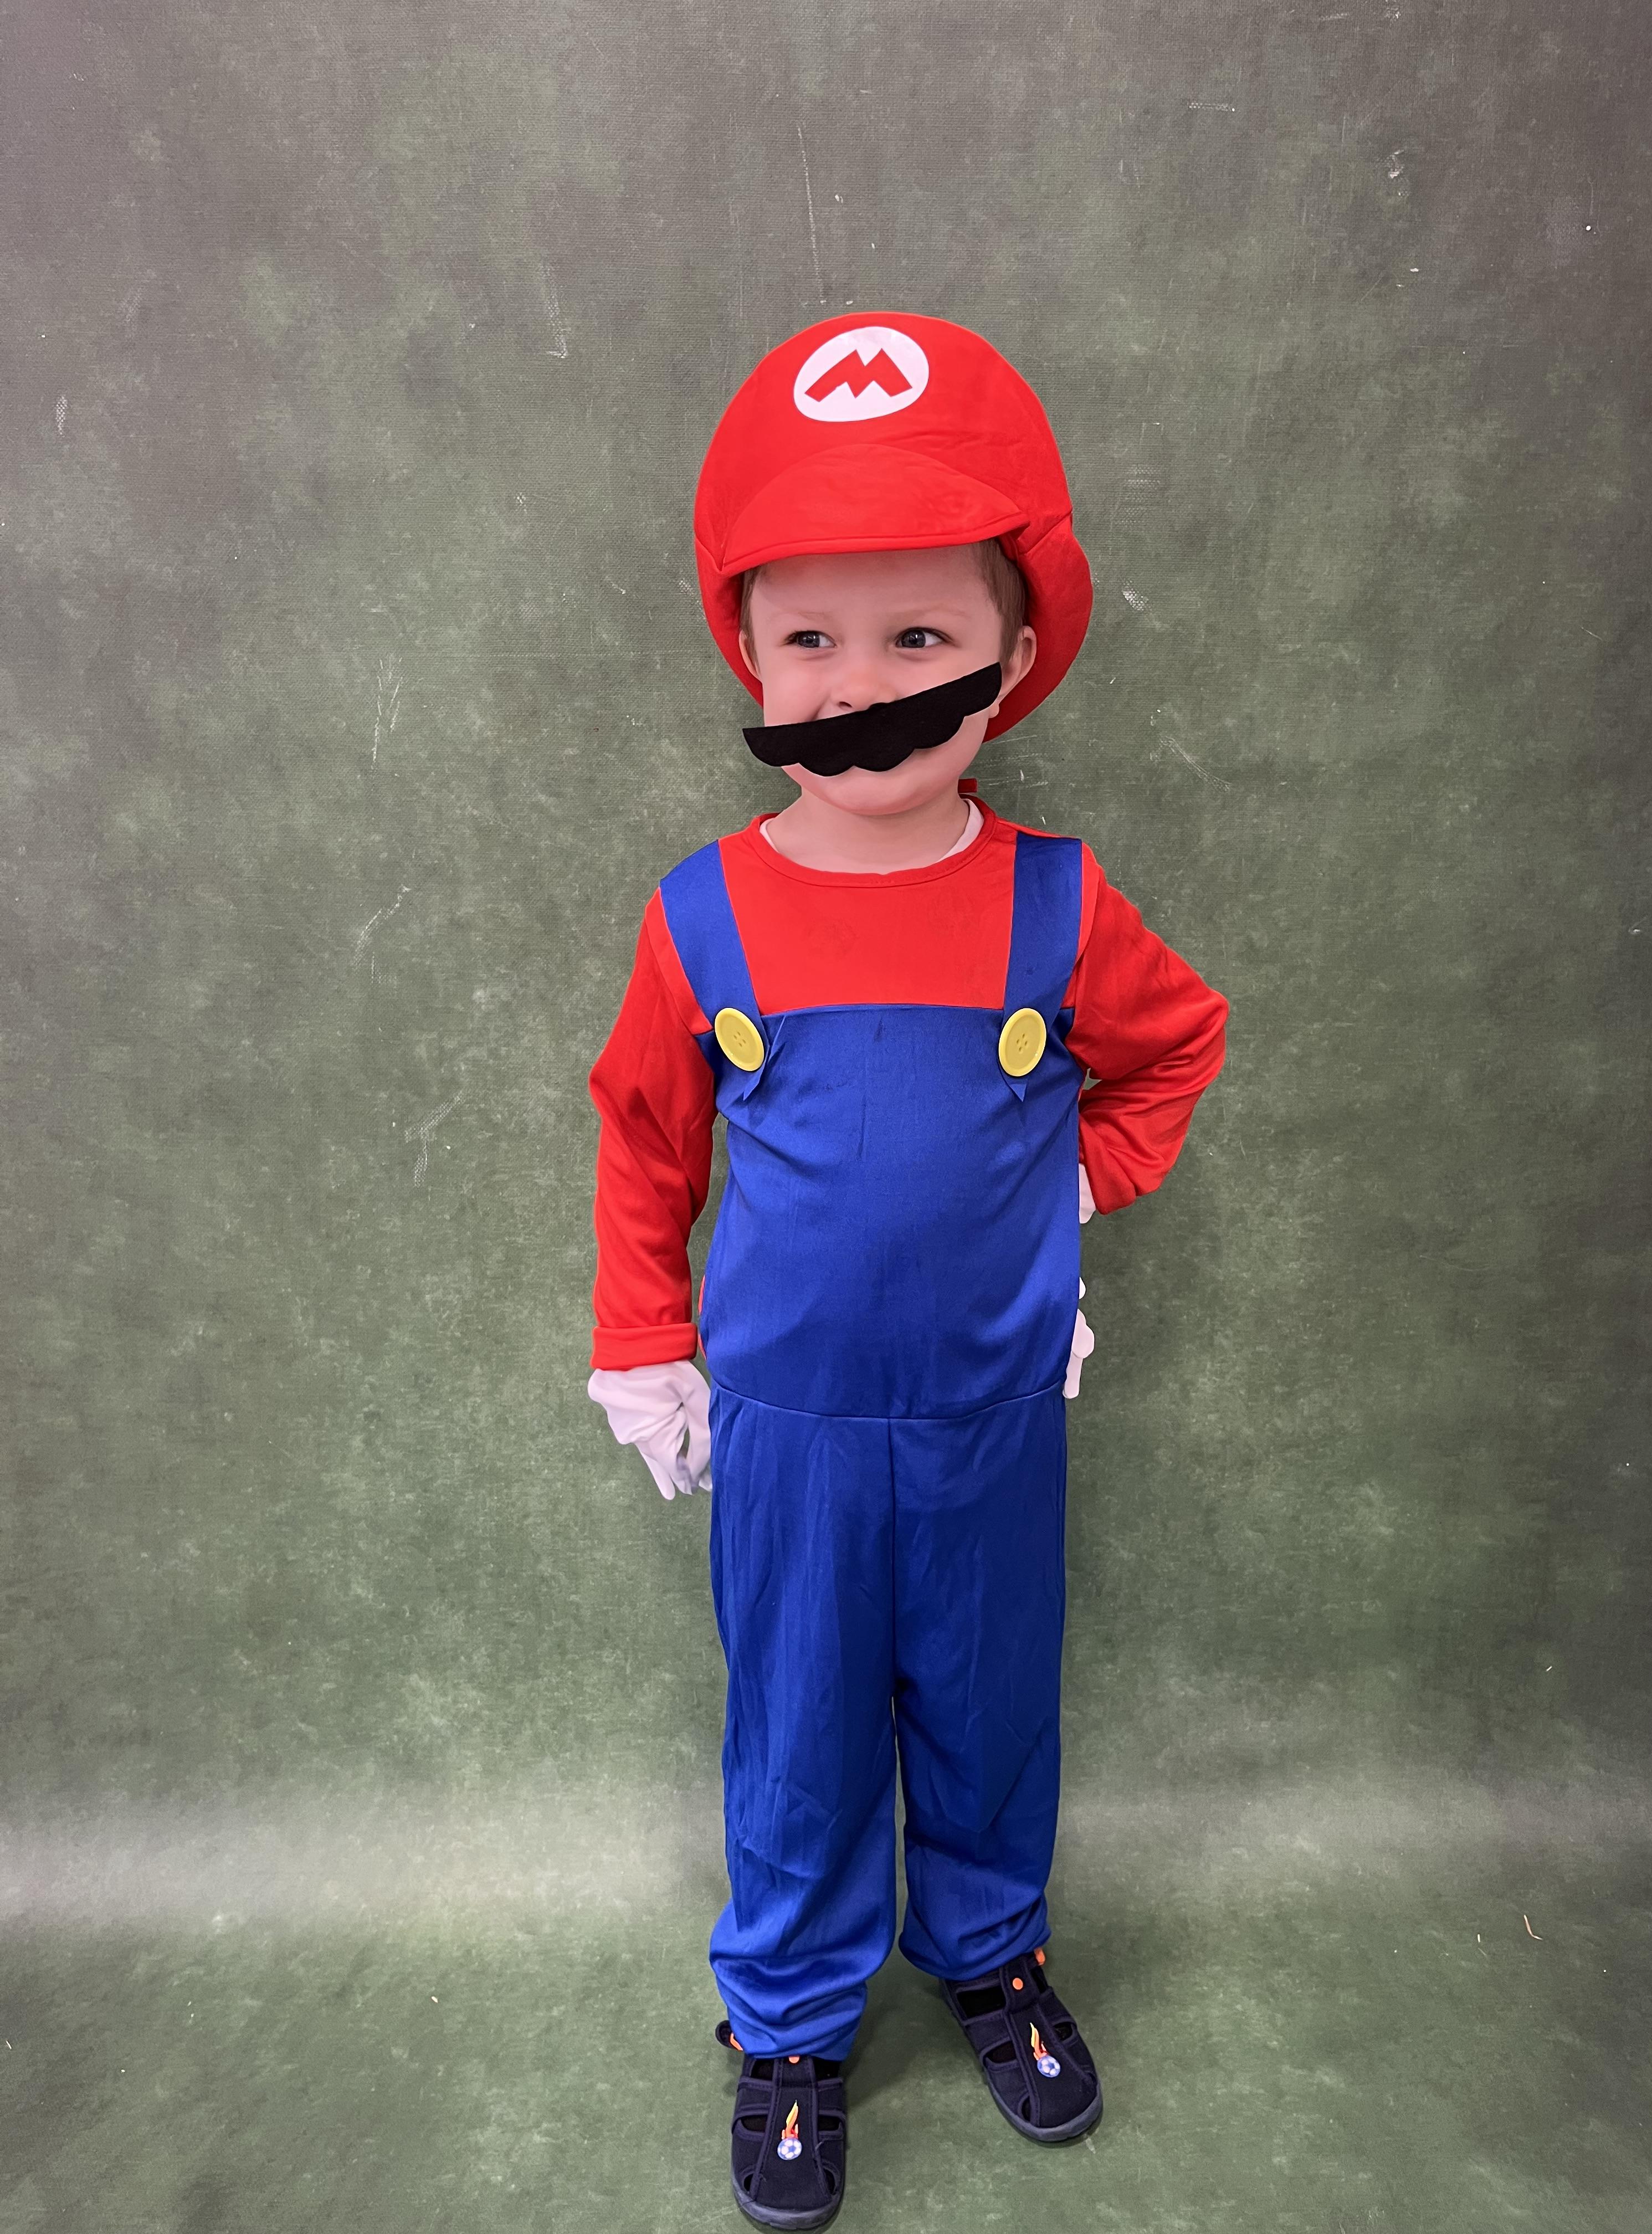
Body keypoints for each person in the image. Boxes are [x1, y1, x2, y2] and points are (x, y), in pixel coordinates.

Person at [587, 312, 1229, 2230]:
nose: (858, 687)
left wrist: (1063, 1202)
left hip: (991, 1417)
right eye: (811, 640)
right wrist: (647, 1342)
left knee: (986, 1699)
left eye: (919, 637)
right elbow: (645, 1137)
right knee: (796, 1727)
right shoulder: (703, 913)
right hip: (786, 1426)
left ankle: (993, 1953)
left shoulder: (1057, 900)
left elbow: (1175, 1049)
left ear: (1013, 658)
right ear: (750, 652)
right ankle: (789, 2020)